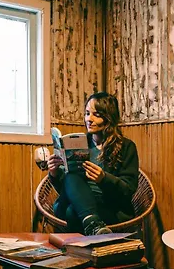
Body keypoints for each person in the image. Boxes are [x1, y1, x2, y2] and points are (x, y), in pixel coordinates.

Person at [47, 92, 139, 236]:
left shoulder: (126, 147)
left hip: (109, 206)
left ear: (109, 117)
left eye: (96, 115)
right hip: (78, 200)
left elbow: (128, 190)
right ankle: (93, 224)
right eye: (87, 113)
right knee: (71, 177)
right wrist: (54, 173)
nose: (89, 119)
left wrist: (104, 178)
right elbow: (66, 189)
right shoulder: (80, 144)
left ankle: (90, 227)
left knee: (72, 212)